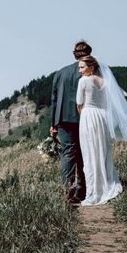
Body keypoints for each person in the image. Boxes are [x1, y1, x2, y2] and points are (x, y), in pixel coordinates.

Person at [76, 55, 127, 206]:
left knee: (90, 154)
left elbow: (79, 103)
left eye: (82, 67)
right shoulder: (106, 82)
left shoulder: (83, 81)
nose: (80, 70)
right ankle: (108, 185)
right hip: (103, 118)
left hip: (89, 116)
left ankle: (93, 193)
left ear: (91, 67)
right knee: (103, 153)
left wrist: (83, 114)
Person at [50, 41, 92, 203]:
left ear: (74, 54)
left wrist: (53, 124)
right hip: (84, 117)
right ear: (89, 53)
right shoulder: (90, 71)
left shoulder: (60, 73)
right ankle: (81, 192)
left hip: (63, 119)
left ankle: (67, 190)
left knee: (67, 154)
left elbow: (54, 100)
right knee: (83, 154)